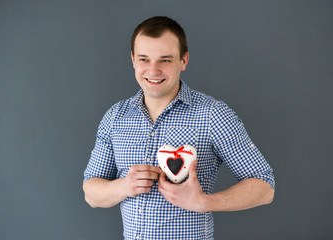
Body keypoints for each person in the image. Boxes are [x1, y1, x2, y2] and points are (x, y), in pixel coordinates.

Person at [83, 16, 275, 240]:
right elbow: (91, 194)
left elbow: (265, 186)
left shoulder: (212, 114)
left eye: (165, 60)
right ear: (133, 60)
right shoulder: (116, 117)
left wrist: (204, 202)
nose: (153, 70)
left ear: (184, 60)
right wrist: (124, 186)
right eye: (144, 59)